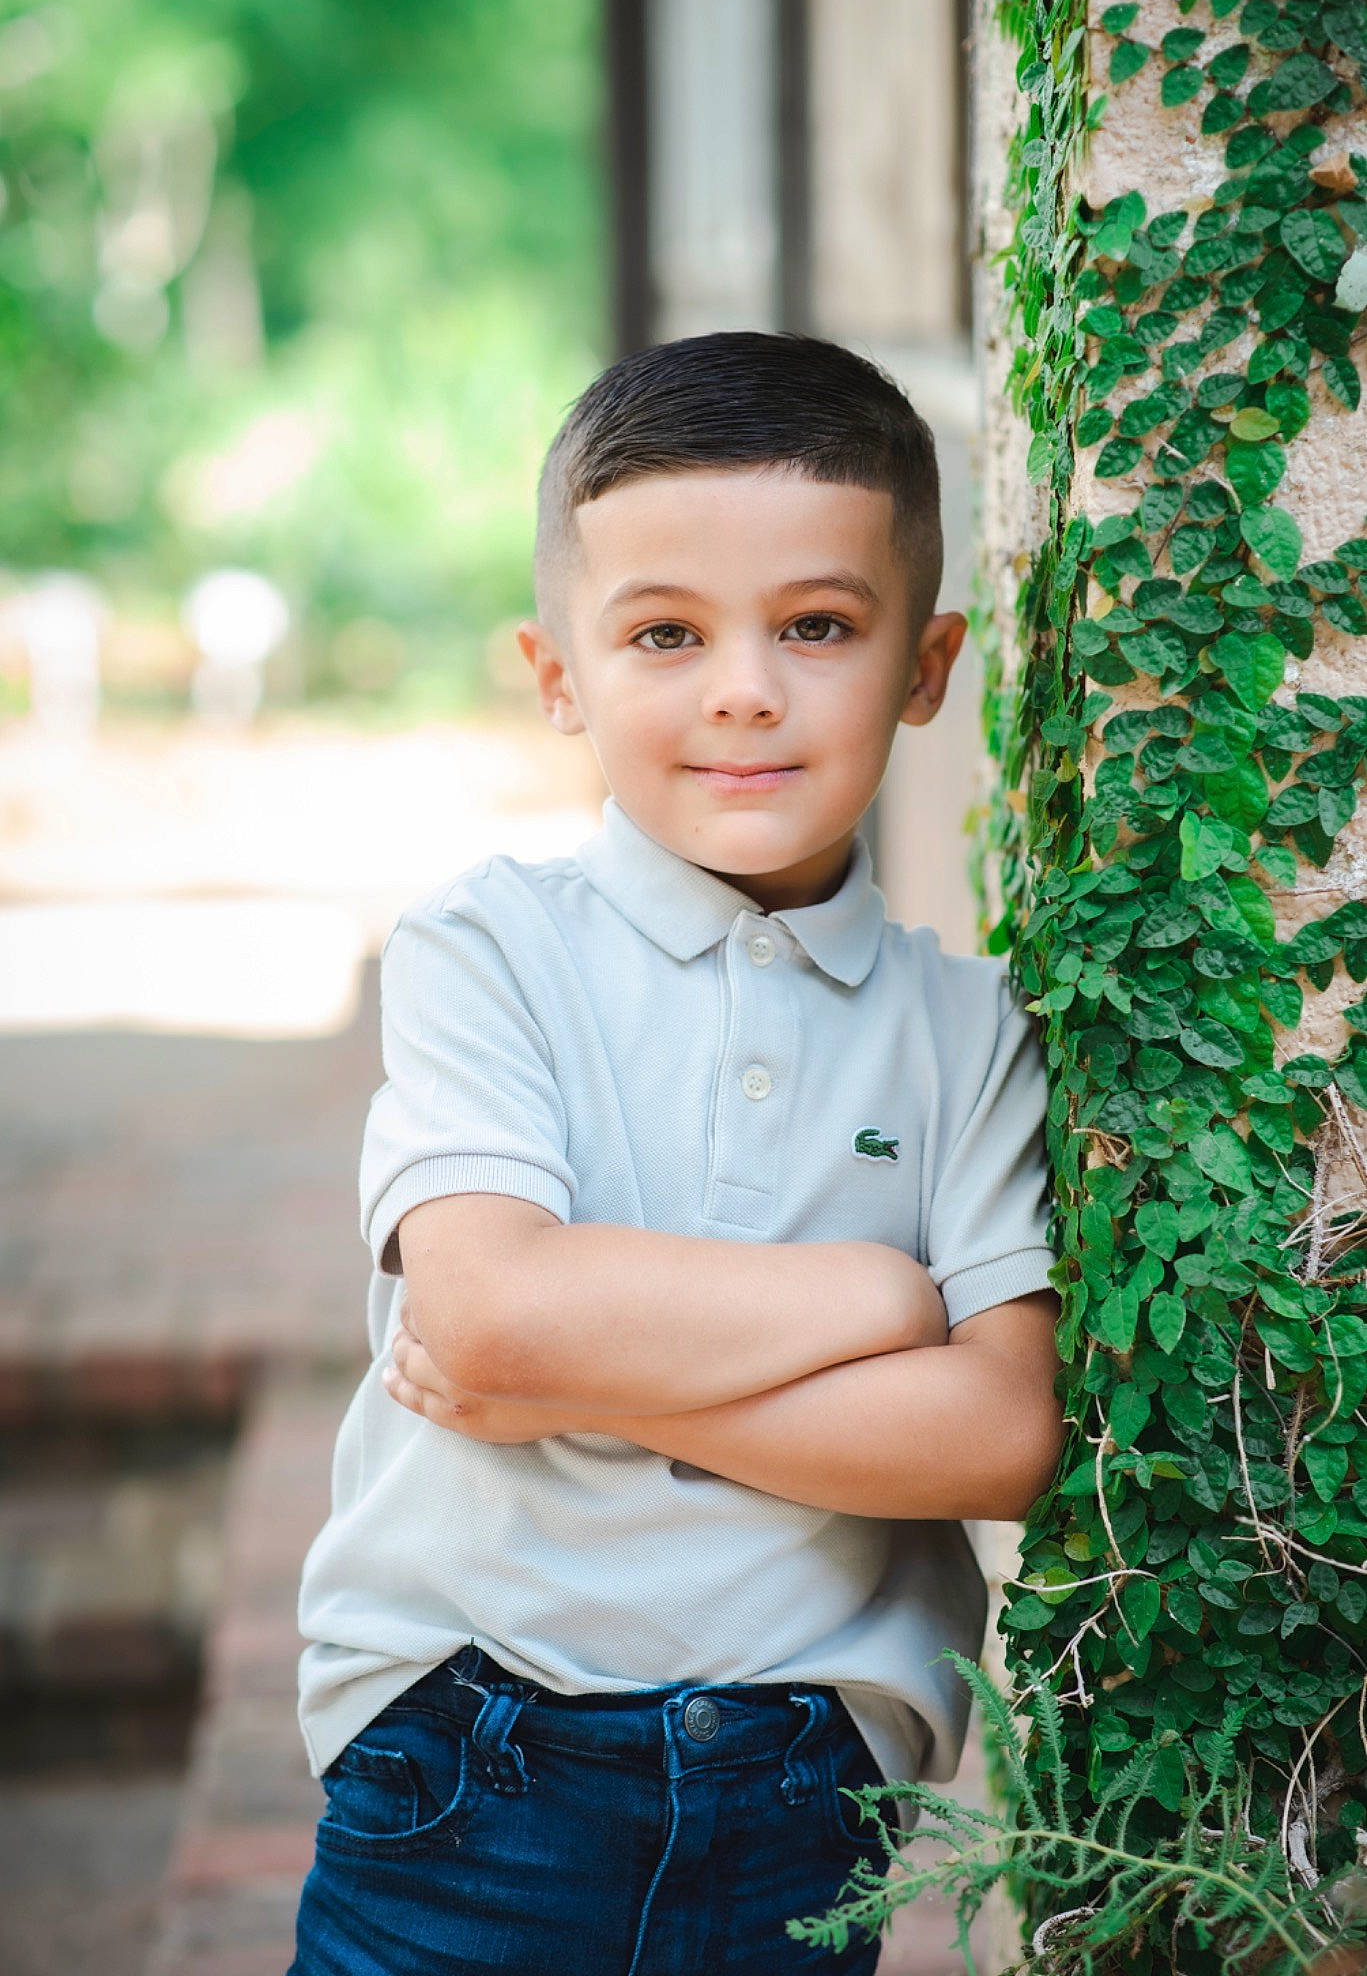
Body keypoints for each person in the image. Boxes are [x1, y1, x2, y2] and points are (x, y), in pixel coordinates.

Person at [289, 330, 1064, 1976]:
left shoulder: (969, 1025)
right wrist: (875, 1291)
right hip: (467, 1762)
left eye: (816, 626)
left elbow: (997, 1431)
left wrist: (584, 1377)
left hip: (805, 1797)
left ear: (925, 668)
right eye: (663, 632)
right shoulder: (486, 950)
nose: (742, 688)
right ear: (558, 672)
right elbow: (491, 1319)